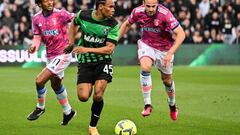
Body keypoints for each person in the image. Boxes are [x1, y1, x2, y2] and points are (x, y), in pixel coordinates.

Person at [119, 0, 185, 121]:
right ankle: (147, 104)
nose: (150, 9)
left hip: (165, 49)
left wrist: (170, 53)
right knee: (145, 67)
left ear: (157, 4)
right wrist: (114, 41)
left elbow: (181, 34)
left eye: (153, 6)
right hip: (147, 45)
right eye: (148, 6)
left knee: (167, 81)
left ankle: (172, 105)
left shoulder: (165, 14)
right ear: (143, 3)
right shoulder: (137, 11)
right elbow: (127, 24)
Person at [64, 0, 119, 134]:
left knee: (98, 95)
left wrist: (87, 49)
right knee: (83, 97)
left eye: (114, 7)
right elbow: (73, 24)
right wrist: (71, 42)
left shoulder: (113, 24)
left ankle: (92, 127)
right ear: (101, 7)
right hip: (85, 62)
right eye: (110, 7)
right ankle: (92, 85)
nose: (113, 10)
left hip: (103, 61)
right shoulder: (83, 15)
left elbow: (109, 49)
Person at [27, 0, 76, 125]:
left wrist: (71, 41)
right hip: (50, 56)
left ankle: (40, 107)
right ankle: (68, 111)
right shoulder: (36, 19)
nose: (50, 2)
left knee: (39, 80)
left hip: (64, 53)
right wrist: (34, 46)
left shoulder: (61, 14)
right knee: (56, 84)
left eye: (51, 0)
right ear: (39, 4)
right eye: (46, 0)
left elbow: (77, 20)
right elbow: (37, 36)